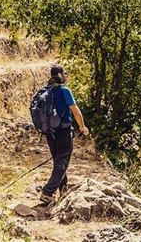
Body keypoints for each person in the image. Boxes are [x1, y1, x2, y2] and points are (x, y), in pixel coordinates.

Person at [40, 64, 88, 204]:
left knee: (59, 161)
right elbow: (76, 111)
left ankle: (64, 190)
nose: (66, 76)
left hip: (50, 132)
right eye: (65, 73)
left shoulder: (46, 90)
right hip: (63, 131)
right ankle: (47, 192)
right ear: (60, 75)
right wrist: (82, 127)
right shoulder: (64, 90)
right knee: (62, 161)